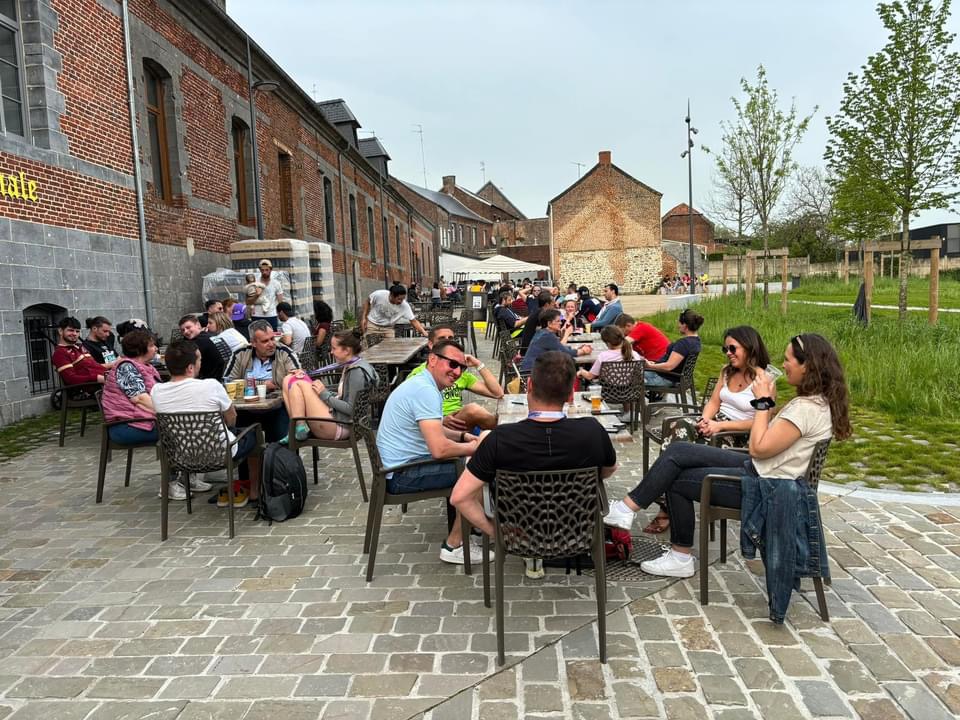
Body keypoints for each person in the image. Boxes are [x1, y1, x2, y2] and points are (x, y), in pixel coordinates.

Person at [604, 333, 851, 595]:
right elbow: (762, 449)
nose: (784, 364)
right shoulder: (817, 402)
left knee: (676, 479)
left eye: (789, 359)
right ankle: (628, 508)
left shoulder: (804, 409)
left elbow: (758, 447)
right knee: (678, 452)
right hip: (766, 470)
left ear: (808, 366)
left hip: (767, 486)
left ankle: (679, 556)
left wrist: (763, 403)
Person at [451, 351, 618, 575]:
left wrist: (496, 533)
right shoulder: (593, 431)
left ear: (528, 386)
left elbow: (460, 497)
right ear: (571, 394)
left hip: (520, 529)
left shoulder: (500, 438)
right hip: (576, 528)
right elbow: (607, 470)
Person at [644, 325, 772, 536]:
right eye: (725, 350)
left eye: (733, 348)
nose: (728, 354)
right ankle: (670, 498)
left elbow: (762, 422)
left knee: (681, 452)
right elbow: (713, 402)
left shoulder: (764, 381)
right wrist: (705, 419)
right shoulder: (727, 372)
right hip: (716, 423)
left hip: (738, 435)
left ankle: (665, 502)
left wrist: (719, 426)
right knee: (677, 427)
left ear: (749, 347)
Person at [375, 339, 484, 565]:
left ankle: (471, 525)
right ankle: (455, 545)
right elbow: (439, 449)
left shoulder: (421, 383)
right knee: (480, 472)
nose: (456, 372)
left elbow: (432, 430)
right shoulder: (425, 391)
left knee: (475, 460)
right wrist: (474, 447)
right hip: (402, 474)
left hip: (397, 467)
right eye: (452, 364)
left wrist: (463, 437)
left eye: (461, 367)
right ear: (432, 359)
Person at [152, 339, 262, 508]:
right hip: (220, 453)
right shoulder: (211, 386)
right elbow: (232, 417)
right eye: (199, 361)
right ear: (190, 367)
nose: (200, 365)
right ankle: (254, 490)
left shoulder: (156, 391)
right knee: (255, 432)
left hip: (182, 457)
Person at [281, 328, 377, 442]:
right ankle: (297, 427)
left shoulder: (356, 372)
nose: (331, 352)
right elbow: (344, 397)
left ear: (346, 350)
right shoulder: (354, 364)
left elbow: (352, 409)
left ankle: (299, 427)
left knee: (298, 383)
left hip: (342, 426)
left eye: (334, 348)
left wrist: (324, 394)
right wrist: (324, 392)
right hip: (341, 420)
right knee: (288, 379)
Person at [405, 325, 503, 432]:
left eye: (450, 339)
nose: (447, 342)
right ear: (431, 345)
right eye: (441, 339)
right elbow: (410, 415)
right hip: (434, 425)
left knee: (479, 420)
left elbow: (497, 393)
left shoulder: (457, 371)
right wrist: (441, 420)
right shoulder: (418, 376)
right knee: (473, 410)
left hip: (459, 422)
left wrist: (478, 364)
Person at [644, 309, 703, 388]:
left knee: (630, 377)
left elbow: (669, 366)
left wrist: (650, 366)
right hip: (672, 377)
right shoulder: (696, 341)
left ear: (685, 325)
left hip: (664, 379)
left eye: (679, 322)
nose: (677, 325)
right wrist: (654, 364)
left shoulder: (684, 344)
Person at [520, 309, 592, 373]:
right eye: (558, 321)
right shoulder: (547, 336)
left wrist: (577, 349)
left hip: (532, 371)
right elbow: (566, 353)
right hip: (532, 375)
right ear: (549, 323)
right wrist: (583, 351)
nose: (560, 323)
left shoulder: (542, 332)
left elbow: (559, 348)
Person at [53, 317, 106, 388]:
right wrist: (98, 378)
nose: (74, 334)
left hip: (106, 381)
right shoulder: (60, 353)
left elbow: (95, 365)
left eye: (77, 331)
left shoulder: (80, 347)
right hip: (92, 389)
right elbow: (71, 379)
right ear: (60, 331)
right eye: (71, 330)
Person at [360, 285, 427, 338]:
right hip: (372, 325)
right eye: (399, 299)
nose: (401, 301)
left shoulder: (404, 306)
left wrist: (424, 333)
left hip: (388, 328)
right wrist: (364, 318)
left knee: (391, 348)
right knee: (369, 348)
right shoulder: (379, 295)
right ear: (391, 295)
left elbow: (413, 321)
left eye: (403, 299)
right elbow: (368, 301)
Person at [179, 314, 225, 381]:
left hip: (213, 381)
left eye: (188, 327)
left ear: (197, 325)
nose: (185, 331)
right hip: (225, 377)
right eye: (183, 330)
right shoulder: (211, 336)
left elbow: (184, 364)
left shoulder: (198, 342)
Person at [252, 259, 284, 330]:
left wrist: (281, 314)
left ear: (270, 270)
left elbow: (280, 302)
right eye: (262, 270)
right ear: (260, 270)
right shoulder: (255, 282)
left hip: (271, 315)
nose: (264, 272)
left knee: (272, 336)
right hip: (257, 315)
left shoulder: (276, 283)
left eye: (267, 270)